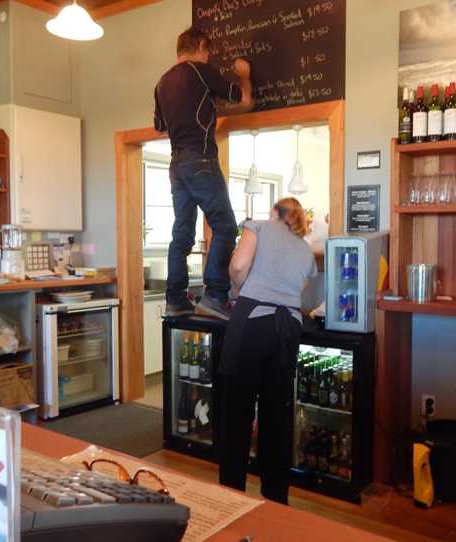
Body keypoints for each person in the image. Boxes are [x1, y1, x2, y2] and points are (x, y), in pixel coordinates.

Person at [217, 197, 318, 505]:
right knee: (277, 415)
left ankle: (232, 496)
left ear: (275, 213)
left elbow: (238, 265)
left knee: (236, 412)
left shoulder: (258, 226)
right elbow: (303, 295)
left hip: (252, 320)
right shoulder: (306, 251)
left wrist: (238, 289)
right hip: (288, 329)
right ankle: (276, 500)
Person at [154, 26, 254, 319]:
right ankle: (215, 296)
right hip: (201, 160)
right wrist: (244, 75)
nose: (209, 56)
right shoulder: (200, 70)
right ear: (199, 45)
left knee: (181, 234)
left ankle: (175, 300)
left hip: (176, 165)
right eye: (207, 50)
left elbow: (160, 128)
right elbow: (245, 101)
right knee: (224, 226)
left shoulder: (161, 83)